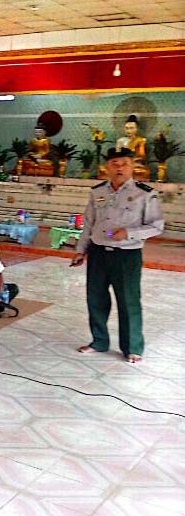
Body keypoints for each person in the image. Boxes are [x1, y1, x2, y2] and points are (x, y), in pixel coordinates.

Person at [72, 148, 164, 363]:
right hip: (98, 253)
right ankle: (99, 341)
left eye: (124, 164)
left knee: (128, 301)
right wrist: (80, 250)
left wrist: (129, 233)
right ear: (107, 167)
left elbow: (157, 226)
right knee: (95, 299)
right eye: (114, 164)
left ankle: (132, 347)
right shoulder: (97, 192)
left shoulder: (145, 193)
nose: (119, 168)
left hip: (126, 255)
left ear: (132, 167)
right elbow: (89, 224)